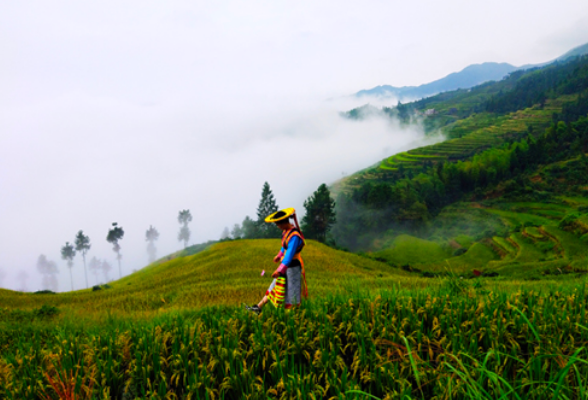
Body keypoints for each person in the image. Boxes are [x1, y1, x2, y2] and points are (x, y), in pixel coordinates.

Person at [245, 208, 307, 314]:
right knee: (273, 286)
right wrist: (279, 255)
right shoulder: (286, 232)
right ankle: (258, 307)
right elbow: (284, 246)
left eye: (278, 224)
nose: (278, 227)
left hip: (293, 268)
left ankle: (293, 318)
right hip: (285, 267)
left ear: (283, 223)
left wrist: (279, 270)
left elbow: (289, 254)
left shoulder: (294, 236)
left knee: (292, 293)